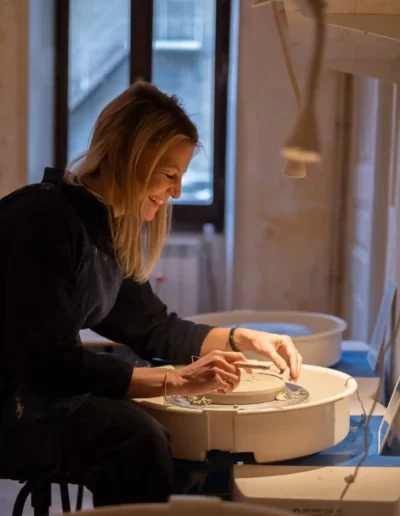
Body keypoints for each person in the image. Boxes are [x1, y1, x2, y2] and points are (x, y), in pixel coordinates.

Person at [0, 81, 302, 506]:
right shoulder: (43, 219)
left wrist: (245, 339)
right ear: (124, 154)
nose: (176, 192)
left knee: (150, 410)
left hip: (39, 386)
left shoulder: (103, 228)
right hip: (11, 404)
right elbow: (47, 363)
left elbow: (155, 329)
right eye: (169, 175)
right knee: (137, 440)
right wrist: (174, 380)